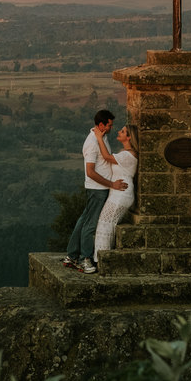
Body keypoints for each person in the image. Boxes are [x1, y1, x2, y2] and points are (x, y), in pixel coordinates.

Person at [62, 109, 126, 274]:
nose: (112, 128)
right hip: (97, 190)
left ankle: (71, 255)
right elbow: (90, 172)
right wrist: (112, 184)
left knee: (84, 220)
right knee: (90, 225)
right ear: (101, 125)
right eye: (110, 125)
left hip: (99, 189)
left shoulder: (101, 137)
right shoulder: (92, 142)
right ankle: (85, 259)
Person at [93, 123, 139, 264]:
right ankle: (102, 258)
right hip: (117, 193)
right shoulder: (125, 153)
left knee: (105, 224)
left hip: (121, 194)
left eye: (123, 131)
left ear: (129, 137)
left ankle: (102, 260)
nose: (119, 132)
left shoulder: (129, 155)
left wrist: (99, 138)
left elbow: (106, 157)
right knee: (106, 224)